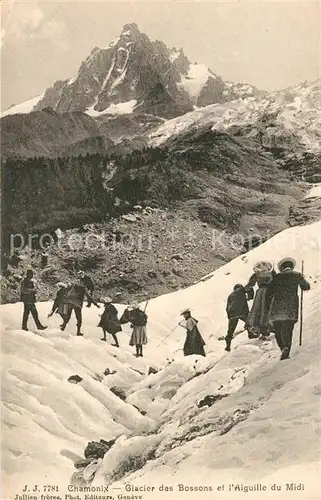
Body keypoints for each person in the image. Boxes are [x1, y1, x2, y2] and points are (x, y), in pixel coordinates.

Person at [269, 257, 310, 360]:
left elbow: (270, 292)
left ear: (282, 268)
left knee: (277, 329)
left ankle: (283, 348)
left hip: (277, 308)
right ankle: (287, 349)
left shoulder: (277, 277)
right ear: (291, 266)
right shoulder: (296, 275)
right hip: (291, 307)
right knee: (288, 329)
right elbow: (306, 287)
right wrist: (302, 278)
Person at [245, 261, 276, 339]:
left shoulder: (256, 274)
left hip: (261, 293)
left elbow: (250, 285)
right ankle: (269, 329)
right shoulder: (272, 273)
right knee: (268, 310)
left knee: (258, 310)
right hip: (271, 292)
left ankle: (261, 331)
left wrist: (245, 290)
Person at [224, 284, 254, 352]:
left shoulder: (231, 295)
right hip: (241, 312)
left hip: (232, 314)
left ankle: (228, 346)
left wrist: (229, 316)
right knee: (250, 322)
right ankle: (251, 334)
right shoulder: (240, 290)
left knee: (230, 331)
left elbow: (227, 307)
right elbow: (249, 287)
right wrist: (251, 295)